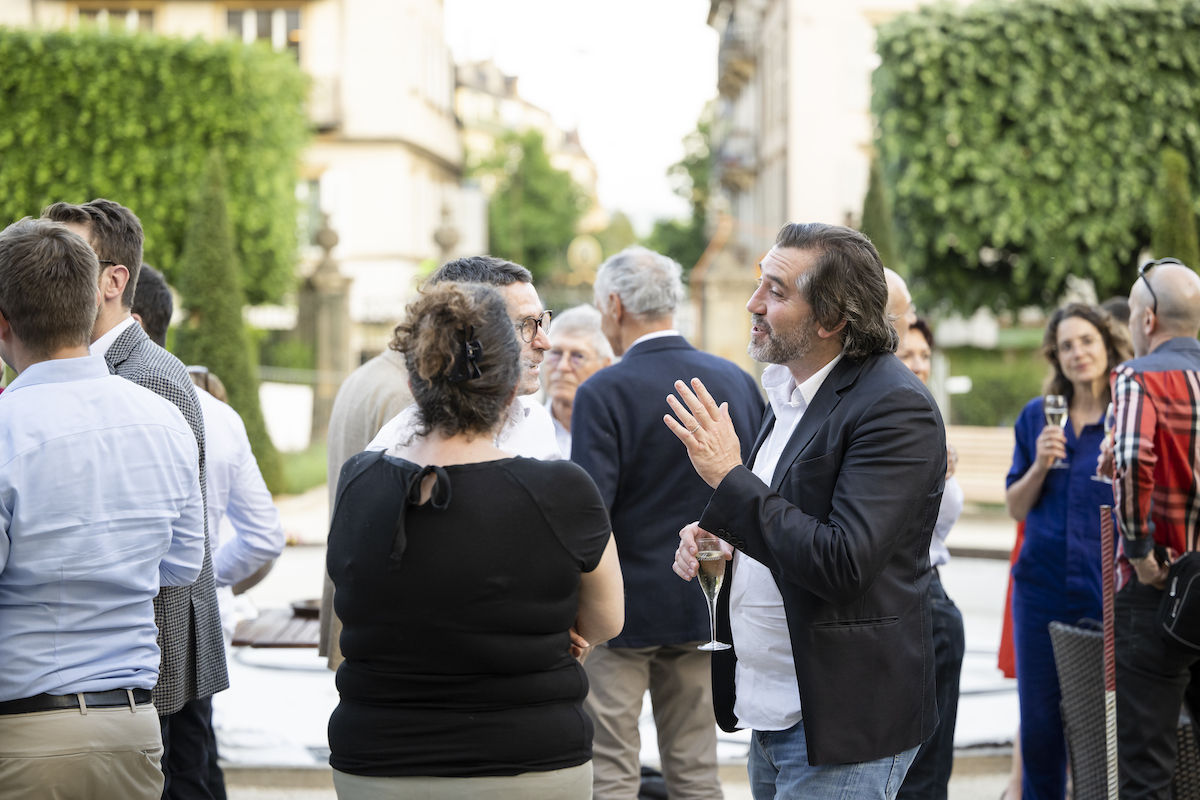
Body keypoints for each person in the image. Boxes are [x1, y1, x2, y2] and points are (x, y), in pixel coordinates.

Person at [669, 222, 946, 799]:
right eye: (759, 284)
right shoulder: (789, 391)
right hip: (772, 706)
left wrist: (729, 480)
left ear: (831, 318)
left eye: (776, 291)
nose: (753, 303)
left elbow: (842, 562)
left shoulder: (895, 407)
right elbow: (782, 517)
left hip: (840, 718)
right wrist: (720, 538)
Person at [326, 282, 625, 799]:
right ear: (510, 386)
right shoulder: (562, 490)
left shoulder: (360, 478)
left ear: (415, 383)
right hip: (528, 761)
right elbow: (605, 620)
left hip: (376, 760)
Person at [0, 218, 205, 799]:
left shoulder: (8, 427)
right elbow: (182, 565)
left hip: (25, 730)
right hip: (132, 726)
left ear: (3, 323)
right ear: (92, 302)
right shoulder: (164, 418)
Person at [42, 199, 229, 800]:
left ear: (113, 281)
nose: (48, 275)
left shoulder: (144, 378)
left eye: (67, 262)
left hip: (150, 669)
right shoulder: (104, 367)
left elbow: (164, 550)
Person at [570, 246, 763, 800]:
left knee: (610, 773)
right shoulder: (735, 381)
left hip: (619, 613)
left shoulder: (602, 391)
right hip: (706, 605)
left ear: (614, 305)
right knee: (697, 772)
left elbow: (590, 515)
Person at [320, 255, 562, 670]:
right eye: (525, 325)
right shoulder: (399, 449)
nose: (544, 341)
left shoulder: (536, 423)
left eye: (543, 321)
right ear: (468, 334)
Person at [1004, 302, 1131, 800]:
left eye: (1086, 341)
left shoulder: (1127, 417)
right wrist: (1040, 464)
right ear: (1055, 356)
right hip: (1041, 591)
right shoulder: (1038, 417)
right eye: (1066, 346)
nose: (1078, 353)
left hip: (1110, 590)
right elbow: (1015, 506)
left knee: (1109, 723)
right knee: (1039, 727)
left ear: (1107, 345)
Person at [1097, 259, 1200, 800]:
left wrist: (1138, 551)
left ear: (1148, 319)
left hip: (1159, 585)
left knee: (1147, 769)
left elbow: (1136, 456)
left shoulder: (1139, 376)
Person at [897, 317, 966, 800]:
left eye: (925, 355)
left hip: (932, 598)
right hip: (910, 602)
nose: (919, 365)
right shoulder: (896, 421)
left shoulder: (924, 417)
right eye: (908, 355)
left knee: (926, 775)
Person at [544, 304, 614, 458]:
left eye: (578, 356)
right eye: (556, 353)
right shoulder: (520, 428)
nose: (562, 366)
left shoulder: (617, 434)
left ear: (605, 366)